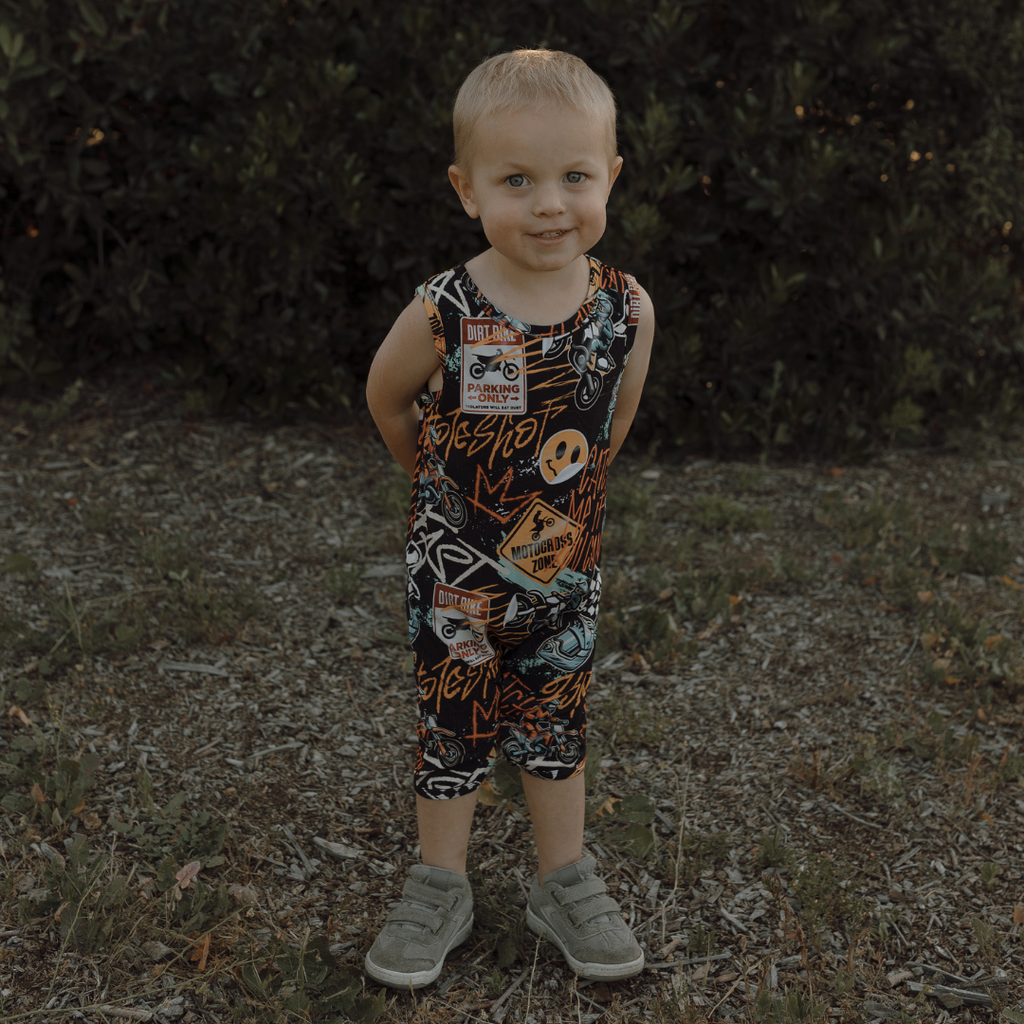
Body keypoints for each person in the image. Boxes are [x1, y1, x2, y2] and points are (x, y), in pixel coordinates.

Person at [364, 47, 654, 989]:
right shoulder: (445, 309)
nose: (549, 204)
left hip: (563, 575)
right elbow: (386, 399)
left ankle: (563, 880)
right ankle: (438, 884)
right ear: (467, 190)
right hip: (454, 578)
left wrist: (563, 514)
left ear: (610, 177)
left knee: (556, 721)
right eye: (516, 180)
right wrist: (437, 491)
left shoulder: (625, 309)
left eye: (575, 177)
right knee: (452, 723)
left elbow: (610, 428)